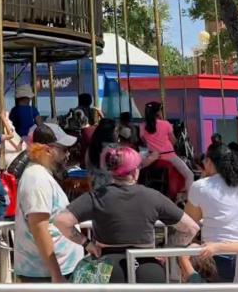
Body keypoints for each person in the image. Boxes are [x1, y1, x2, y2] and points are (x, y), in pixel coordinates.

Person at [54, 146, 200, 284]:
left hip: (107, 268)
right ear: (135, 171)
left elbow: (61, 221)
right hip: (149, 268)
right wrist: (165, 250)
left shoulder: (97, 196)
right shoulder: (153, 196)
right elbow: (191, 228)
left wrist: (87, 244)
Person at [13, 122, 84, 283]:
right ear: (47, 150)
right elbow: (39, 228)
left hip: (51, 271)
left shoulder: (40, 175)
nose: (67, 155)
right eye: (64, 149)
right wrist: (56, 274)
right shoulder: (37, 179)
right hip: (45, 274)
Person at [185, 144, 238, 282]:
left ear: (208, 161)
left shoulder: (201, 186)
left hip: (216, 256)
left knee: (185, 256)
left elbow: (189, 221)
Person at [141, 101, 194, 194]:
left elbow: (144, 141)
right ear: (158, 112)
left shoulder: (142, 126)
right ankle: (190, 199)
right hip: (169, 156)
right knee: (190, 175)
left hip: (152, 156)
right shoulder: (165, 124)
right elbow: (173, 141)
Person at [86, 118, 118, 191]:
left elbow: (88, 168)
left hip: (95, 186)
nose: (117, 133)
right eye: (116, 131)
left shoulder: (91, 148)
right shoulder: (114, 150)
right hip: (112, 187)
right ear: (110, 133)